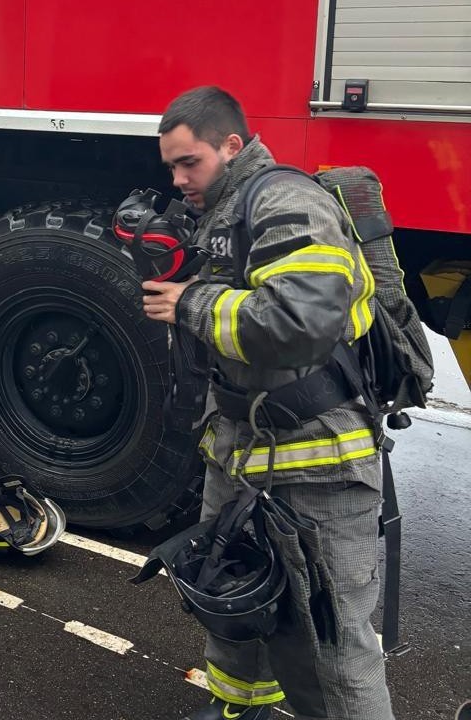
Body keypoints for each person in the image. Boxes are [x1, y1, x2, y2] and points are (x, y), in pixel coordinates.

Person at [142, 86, 394, 720]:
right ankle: (241, 711)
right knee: (232, 598)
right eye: (170, 166)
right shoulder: (224, 211)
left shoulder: (287, 201)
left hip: (319, 461)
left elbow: (299, 323)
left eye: (188, 162)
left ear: (233, 145)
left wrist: (190, 303)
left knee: (334, 642)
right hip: (241, 449)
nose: (178, 178)